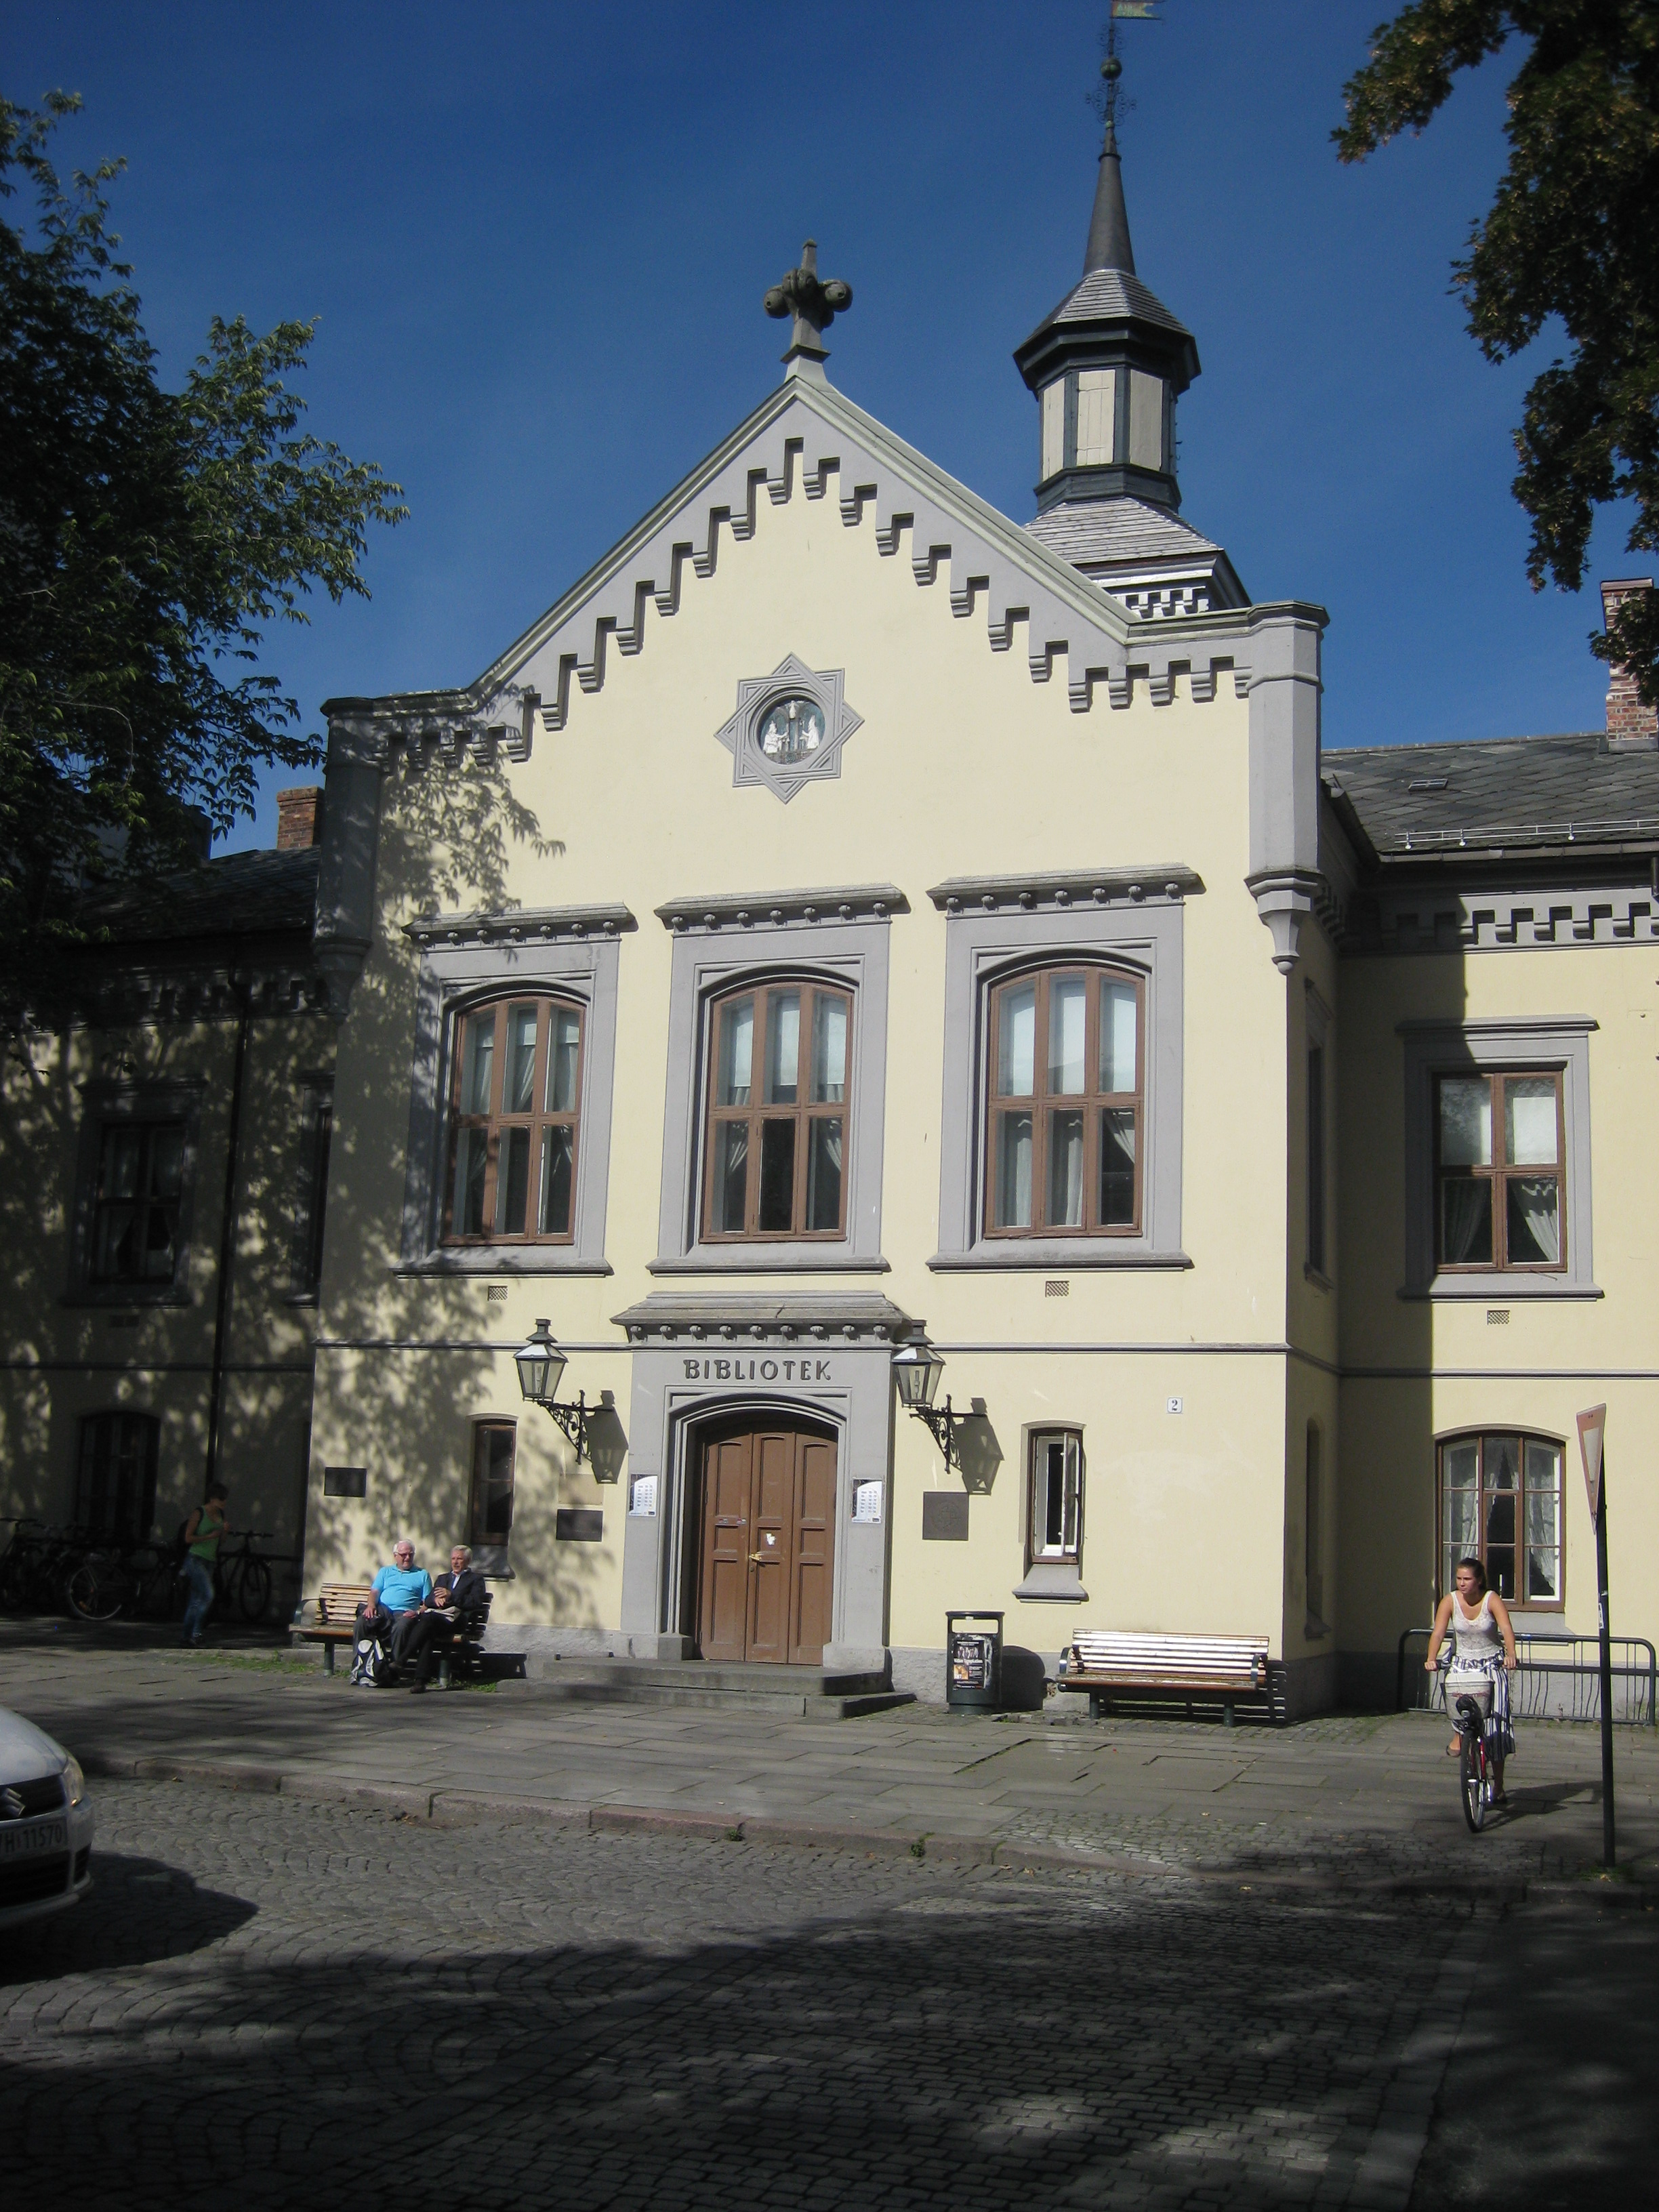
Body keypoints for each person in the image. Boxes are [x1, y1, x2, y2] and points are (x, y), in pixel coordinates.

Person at [1425, 1555, 1518, 1800]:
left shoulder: (1491, 1599)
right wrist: (1431, 1658)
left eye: (1467, 1579)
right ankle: (1461, 1736)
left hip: (1491, 1664)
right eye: (1459, 1579)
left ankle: (1498, 1785)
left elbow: (1506, 1629)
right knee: (1457, 1703)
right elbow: (1438, 1633)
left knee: (1496, 1724)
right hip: (1463, 1663)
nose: (1462, 1583)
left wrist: (1511, 1655)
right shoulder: (1450, 1601)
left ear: (1479, 1581)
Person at [397, 1545, 489, 1693]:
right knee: (427, 1632)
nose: (455, 1562)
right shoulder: (443, 1578)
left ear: (468, 1561)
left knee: (428, 1620)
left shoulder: (475, 1580)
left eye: (459, 1559)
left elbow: (475, 1602)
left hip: (456, 1621)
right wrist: (436, 1600)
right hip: (436, 1620)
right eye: (453, 1559)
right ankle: (420, 1682)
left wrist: (451, 1596)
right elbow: (428, 1600)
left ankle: (403, 1659)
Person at [180, 1482, 230, 1647]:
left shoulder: (221, 1515)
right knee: (208, 1595)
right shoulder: (199, 1513)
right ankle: (196, 1633)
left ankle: (186, 1636)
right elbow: (188, 1538)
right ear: (212, 1498)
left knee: (196, 1599)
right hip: (195, 1559)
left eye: (225, 1499)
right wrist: (209, 1536)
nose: (223, 1502)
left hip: (210, 1560)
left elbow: (221, 1541)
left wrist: (224, 1532)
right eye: (221, 1498)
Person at [356, 1540, 432, 1644]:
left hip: (404, 1614)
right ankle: (360, 1654)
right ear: (395, 1556)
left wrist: (417, 1612)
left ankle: (396, 1655)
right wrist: (371, 1606)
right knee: (361, 1622)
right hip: (383, 1611)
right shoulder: (385, 1571)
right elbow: (374, 1592)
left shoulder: (423, 1574)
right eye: (404, 1555)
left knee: (401, 1627)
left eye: (411, 1555)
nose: (408, 1558)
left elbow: (428, 1602)